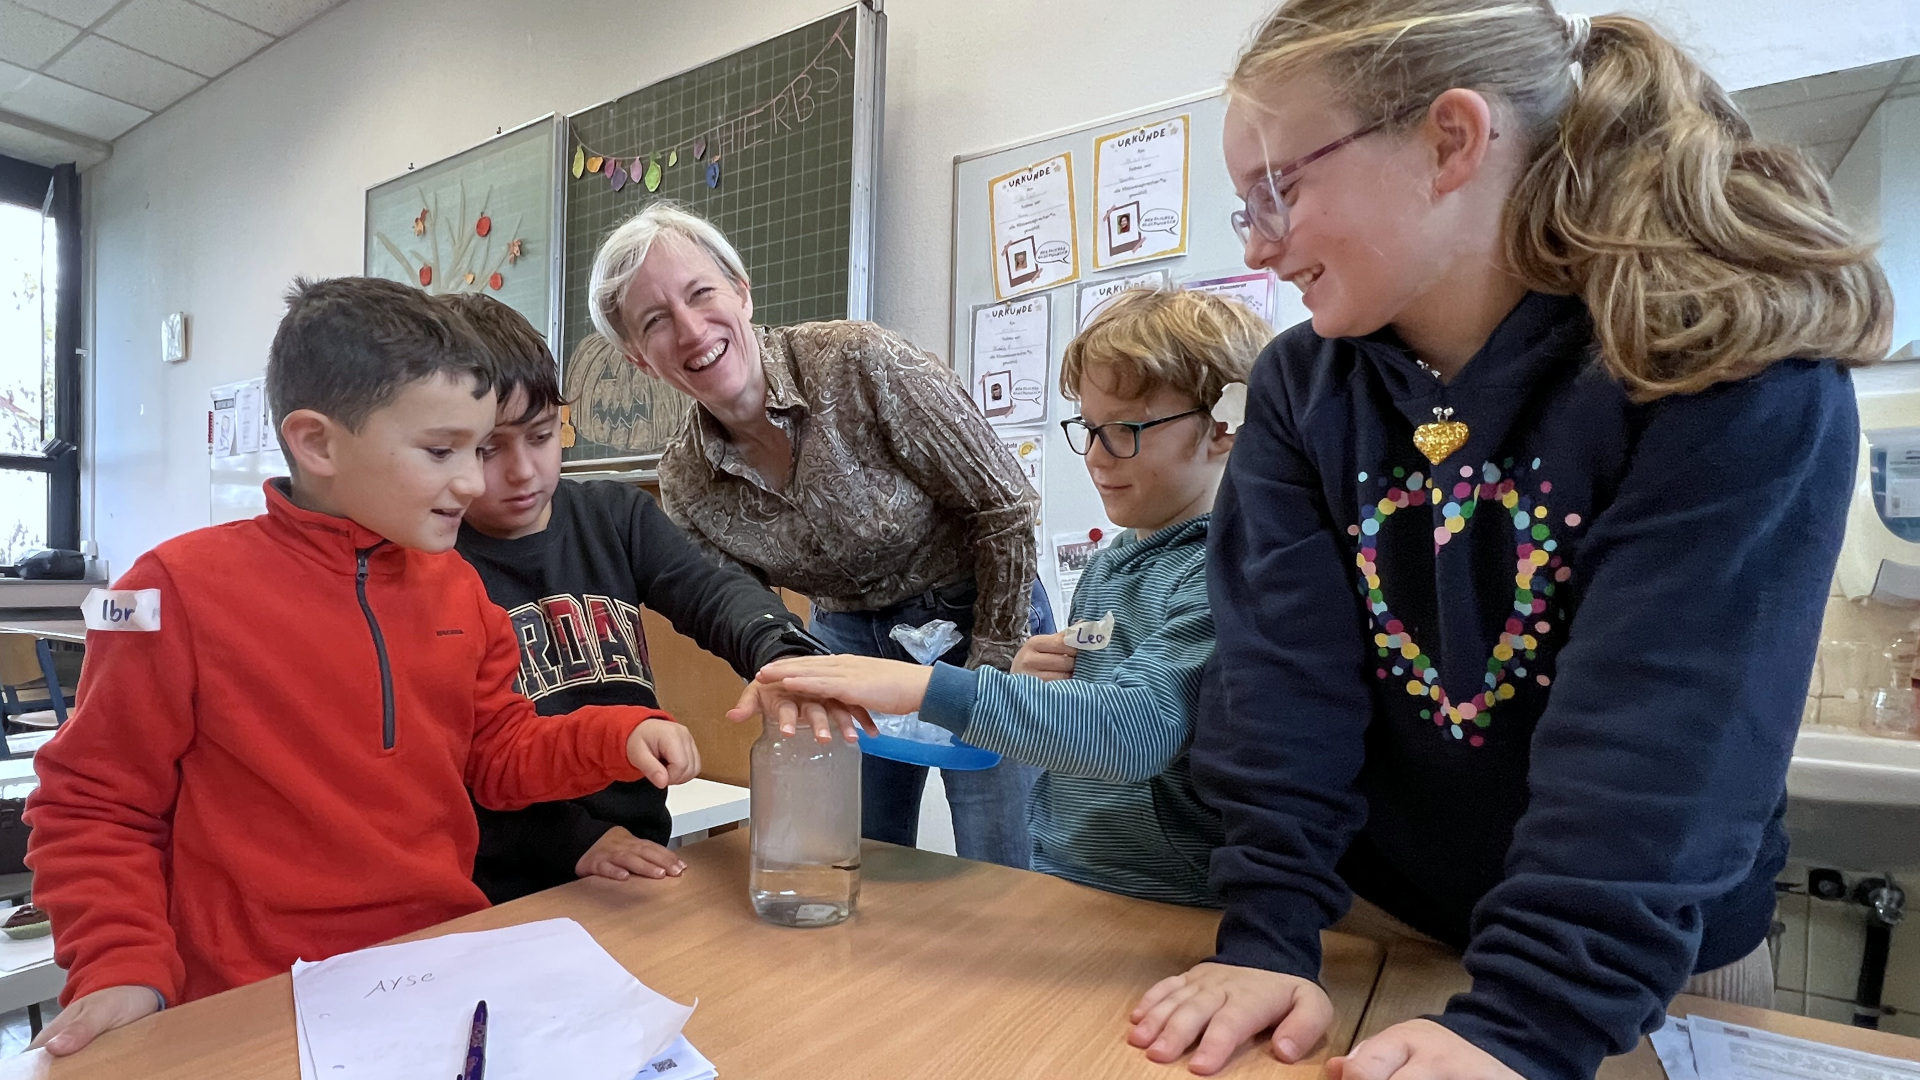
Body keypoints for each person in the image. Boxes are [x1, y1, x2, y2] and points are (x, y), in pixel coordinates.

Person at [1127, 3, 1893, 1079]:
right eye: (1244, 200)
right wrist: (1270, 934)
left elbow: (1664, 744)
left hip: (1630, 967)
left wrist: (1527, 1025)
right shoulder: (1305, 389)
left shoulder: (1726, 367)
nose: (1256, 242)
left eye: (1281, 188)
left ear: (1451, 139)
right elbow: (1279, 692)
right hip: (1372, 925)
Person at [23, 278, 701, 1056]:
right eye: (442, 451)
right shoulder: (176, 590)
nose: (475, 481)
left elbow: (498, 756)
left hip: (443, 973)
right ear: (318, 443)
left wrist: (615, 735)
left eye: (475, 450)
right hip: (253, 1000)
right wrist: (121, 966)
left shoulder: (458, 590)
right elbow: (94, 804)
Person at [752, 287, 1264, 905]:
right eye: (1090, 429)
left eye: (1125, 431)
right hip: (1072, 884)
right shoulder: (1108, 570)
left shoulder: (1226, 571)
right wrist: (1029, 683)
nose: (1097, 458)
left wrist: (919, 688)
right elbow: (1088, 718)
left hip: (1164, 904)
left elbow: (1139, 731)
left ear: (1225, 429)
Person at [588, 202, 1050, 868]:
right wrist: (797, 676)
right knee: (860, 853)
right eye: (656, 321)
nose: (690, 330)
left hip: (985, 609)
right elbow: (740, 611)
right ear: (639, 359)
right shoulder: (686, 480)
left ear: (741, 294)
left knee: (1001, 857)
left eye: (701, 294)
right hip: (847, 641)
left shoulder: (860, 363)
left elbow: (1003, 505)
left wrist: (986, 679)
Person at [441, 292, 857, 901]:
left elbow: (712, 594)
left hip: (640, 853)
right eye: (488, 450)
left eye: (540, 436)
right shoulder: (438, 562)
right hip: (513, 874)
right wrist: (573, 840)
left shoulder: (614, 516)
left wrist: (779, 651)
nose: (524, 471)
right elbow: (461, 760)